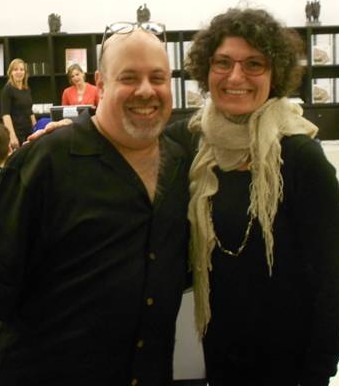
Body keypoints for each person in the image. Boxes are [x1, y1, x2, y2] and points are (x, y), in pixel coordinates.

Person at [0, 27, 192, 385]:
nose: (147, 90)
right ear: (100, 83)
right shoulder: (45, 163)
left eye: (158, 77)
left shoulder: (182, 162)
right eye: (129, 77)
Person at [170, 8, 339, 386]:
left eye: (253, 64)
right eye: (223, 63)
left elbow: (332, 279)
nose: (235, 77)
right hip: (218, 356)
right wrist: (71, 130)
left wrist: (317, 372)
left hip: (290, 366)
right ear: (205, 69)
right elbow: (128, 141)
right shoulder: (191, 142)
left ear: (274, 72)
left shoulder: (299, 158)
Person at [1, 58, 37, 149]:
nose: (19, 72)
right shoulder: (8, 90)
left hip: (29, 132)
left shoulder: (27, 89)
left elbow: (30, 111)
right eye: (15, 69)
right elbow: (5, 115)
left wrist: (36, 129)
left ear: (25, 73)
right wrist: (12, 136)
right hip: (16, 133)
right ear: (11, 73)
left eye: (22, 69)